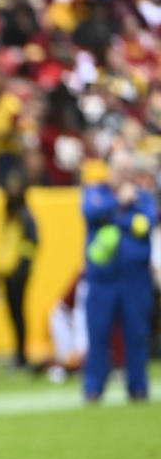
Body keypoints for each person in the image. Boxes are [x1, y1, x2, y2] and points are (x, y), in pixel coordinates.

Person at [82, 152, 157, 402]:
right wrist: (119, 205)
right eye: (119, 168)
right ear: (110, 169)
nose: (123, 174)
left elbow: (146, 223)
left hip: (135, 279)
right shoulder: (96, 193)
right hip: (103, 279)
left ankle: (138, 387)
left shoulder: (143, 197)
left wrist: (115, 217)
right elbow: (90, 212)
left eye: (127, 169)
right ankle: (94, 387)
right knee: (98, 333)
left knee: (136, 335)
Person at [0, 176, 37, 367]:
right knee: (13, 314)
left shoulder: (24, 215)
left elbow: (31, 243)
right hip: (8, 273)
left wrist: (22, 267)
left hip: (18, 274)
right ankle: (18, 353)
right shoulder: (11, 214)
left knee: (18, 314)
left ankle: (21, 355)